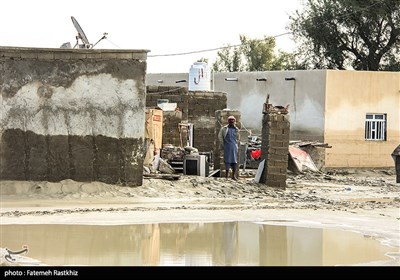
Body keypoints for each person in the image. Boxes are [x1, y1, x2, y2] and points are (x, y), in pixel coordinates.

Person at [218, 115, 240, 180]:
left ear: (234, 122)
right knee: (227, 161)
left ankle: (233, 176)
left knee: (234, 161)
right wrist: (223, 144)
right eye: (230, 121)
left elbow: (238, 138)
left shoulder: (236, 129)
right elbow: (220, 137)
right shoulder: (224, 129)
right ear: (228, 122)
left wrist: (236, 145)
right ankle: (227, 176)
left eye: (233, 121)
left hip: (234, 147)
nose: (231, 122)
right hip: (227, 147)